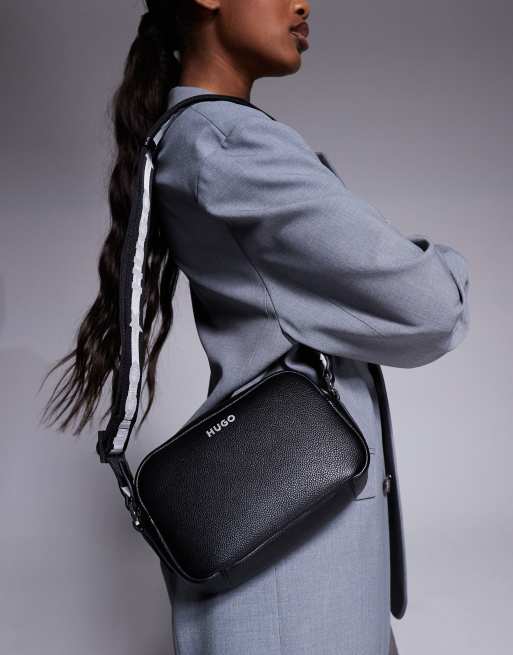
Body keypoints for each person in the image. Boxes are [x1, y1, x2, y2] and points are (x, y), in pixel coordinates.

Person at [40, 1, 471, 654]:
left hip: (296, 558)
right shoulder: (228, 143)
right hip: (295, 577)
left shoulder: (203, 136)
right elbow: (433, 306)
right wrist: (446, 262)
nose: (302, 3)